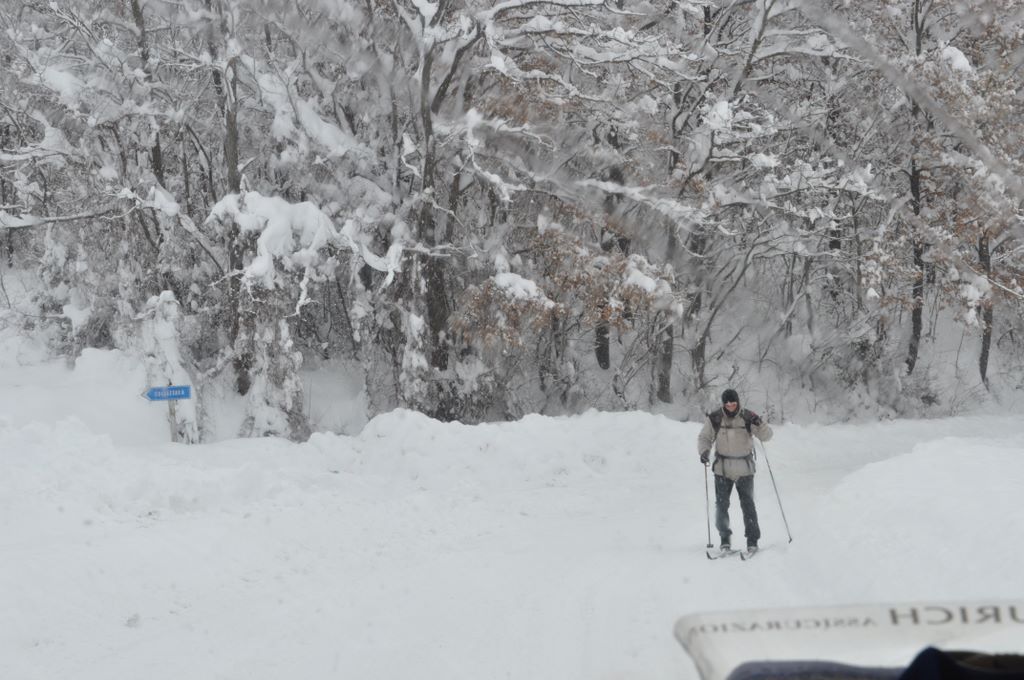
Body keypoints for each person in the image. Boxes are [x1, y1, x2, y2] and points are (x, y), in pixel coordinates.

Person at [697, 388, 773, 552]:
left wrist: (760, 424)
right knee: (721, 506)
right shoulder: (715, 418)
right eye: (727, 403)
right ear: (723, 404)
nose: (730, 406)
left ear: (738, 402)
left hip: (744, 470)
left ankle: (752, 541)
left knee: (748, 506)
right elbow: (704, 437)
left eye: (733, 402)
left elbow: (767, 436)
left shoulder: (748, 417)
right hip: (722, 470)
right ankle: (724, 539)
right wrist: (704, 451)